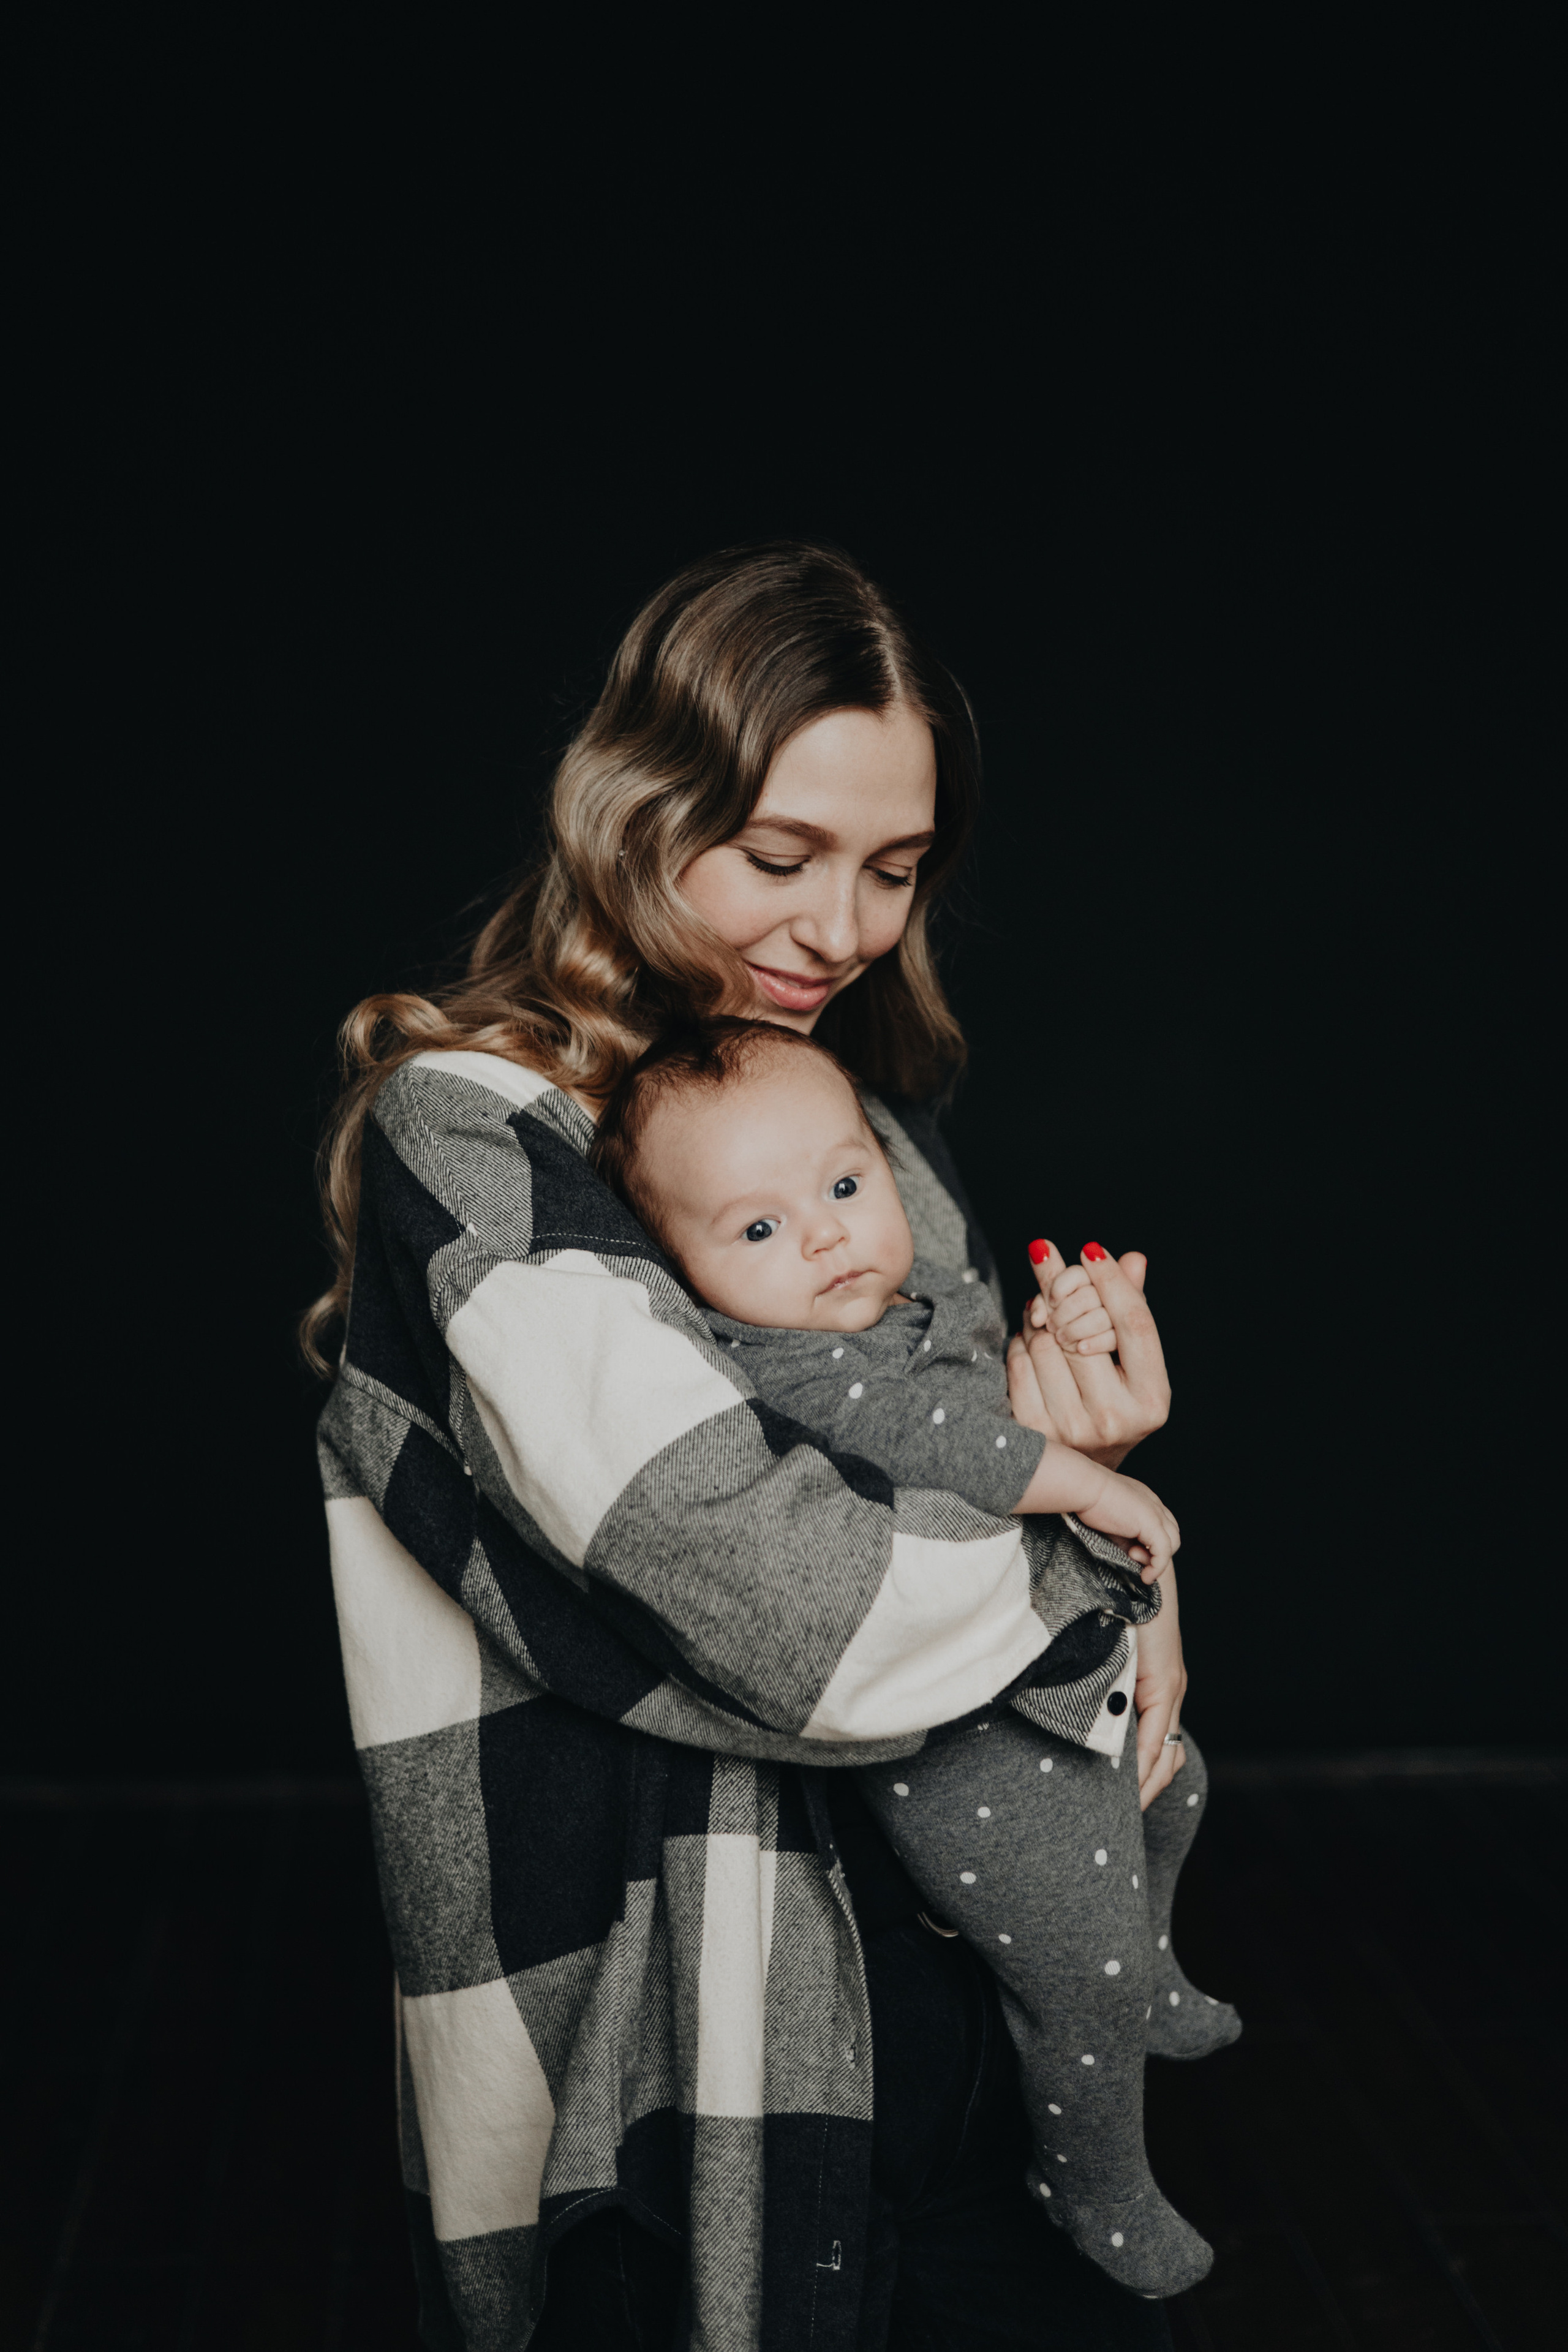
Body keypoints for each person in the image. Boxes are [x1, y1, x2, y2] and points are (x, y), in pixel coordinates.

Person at [306, 541, 1193, 2350]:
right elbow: (799, 1602)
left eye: (892, 869)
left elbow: (944, 1456)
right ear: (631, 808)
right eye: (780, 858)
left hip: (952, 1975)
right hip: (680, 2016)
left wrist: (1074, 1440)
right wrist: (1101, 1564)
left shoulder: (845, 1108)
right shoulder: (475, 1137)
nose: (840, 929)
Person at [590, 1014, 1237, 2301]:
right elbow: (923, 1431)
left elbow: (985, 1393)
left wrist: (1067, 1335)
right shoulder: (778, 1365)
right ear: (678, 1265)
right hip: (958, 1749)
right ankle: (1096, 2179)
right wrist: (1085, 1484)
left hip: (1050, 1666)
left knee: (1179, 1788)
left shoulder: (917, 1300)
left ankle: (1146, 1970)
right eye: (758, 1228)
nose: (825, 1234)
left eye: (842, 1185)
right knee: (1073, 1971)